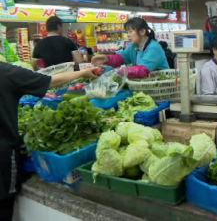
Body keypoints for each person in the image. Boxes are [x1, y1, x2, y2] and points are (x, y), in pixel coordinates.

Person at [0, 63, 98, 220]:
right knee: (3, 205)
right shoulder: (6, 72)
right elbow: (51, 81)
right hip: (3, 156)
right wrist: (83, 73)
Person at [91, 18, 169, 78]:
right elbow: (120, 58)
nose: (128, 35)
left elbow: (142, 70)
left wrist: (116, 71)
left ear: (142, 32)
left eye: (131, 31)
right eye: (127, 32)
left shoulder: (154, 48)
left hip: (161, 85)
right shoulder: (134, 47)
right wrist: (106, 59)